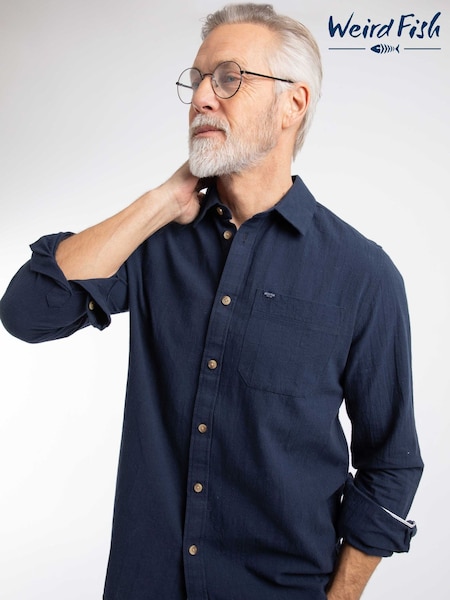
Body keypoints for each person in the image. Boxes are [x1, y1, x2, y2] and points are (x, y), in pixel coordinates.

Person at [0, 3, 423, 599]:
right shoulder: (155, 242)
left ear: (293, 104)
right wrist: (161, 200)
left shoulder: (363, 275)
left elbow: (391, 464)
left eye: (228, 78)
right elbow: (28, 311)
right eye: (197, 79)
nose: (201, 97)